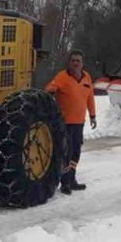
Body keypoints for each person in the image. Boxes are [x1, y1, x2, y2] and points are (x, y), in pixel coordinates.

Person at [45, 50, 97, 195]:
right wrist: (51, 91)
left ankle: (72, 179)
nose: (75, 63)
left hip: (79, 122)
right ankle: (65, 182)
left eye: (78, 61)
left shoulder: (87, 78)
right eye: (73, 60)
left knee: (76, 151)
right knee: (65, 153)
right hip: (65, 123)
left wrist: (93, 115)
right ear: (69, 62)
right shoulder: (62, 77)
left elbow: (90, 98)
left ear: (82, 63)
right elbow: (50, 88)